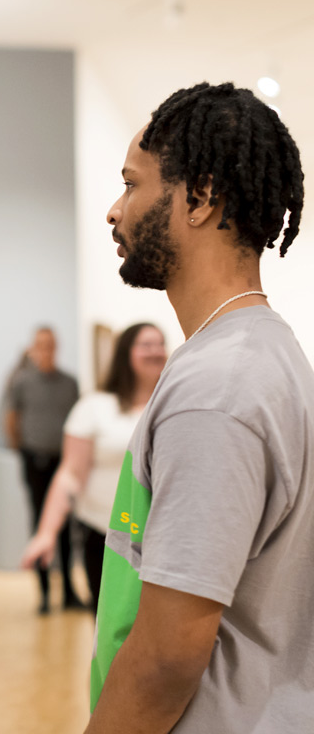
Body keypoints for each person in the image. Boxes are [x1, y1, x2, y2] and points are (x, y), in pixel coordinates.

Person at [88, 82, 313, 733]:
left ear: (201, 196)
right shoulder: (251, 356)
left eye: (132, 185)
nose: (114, 211)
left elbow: (168, 656)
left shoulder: (219, 388)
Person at [19, 323, 166, 611]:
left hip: (162, 538)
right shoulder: (96, 406)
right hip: (105, 537)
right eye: (145, 345)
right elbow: (70, 475)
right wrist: (46, 533)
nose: (155, 351)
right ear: (125, 353)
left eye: (160, 344)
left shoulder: (172, 405)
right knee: (111, 632)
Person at [5, 327, 82, 613]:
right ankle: (45, 594)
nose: (46, 350)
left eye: (50, 345)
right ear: (33, 348)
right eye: (40, 345)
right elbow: (12, 417)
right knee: (41, 524)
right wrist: (21, 448)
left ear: (56, 347)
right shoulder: (22, 382)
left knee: (65, 526)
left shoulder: (70, 383)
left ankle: (70, 593)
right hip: (34, 460)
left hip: (64, 462)